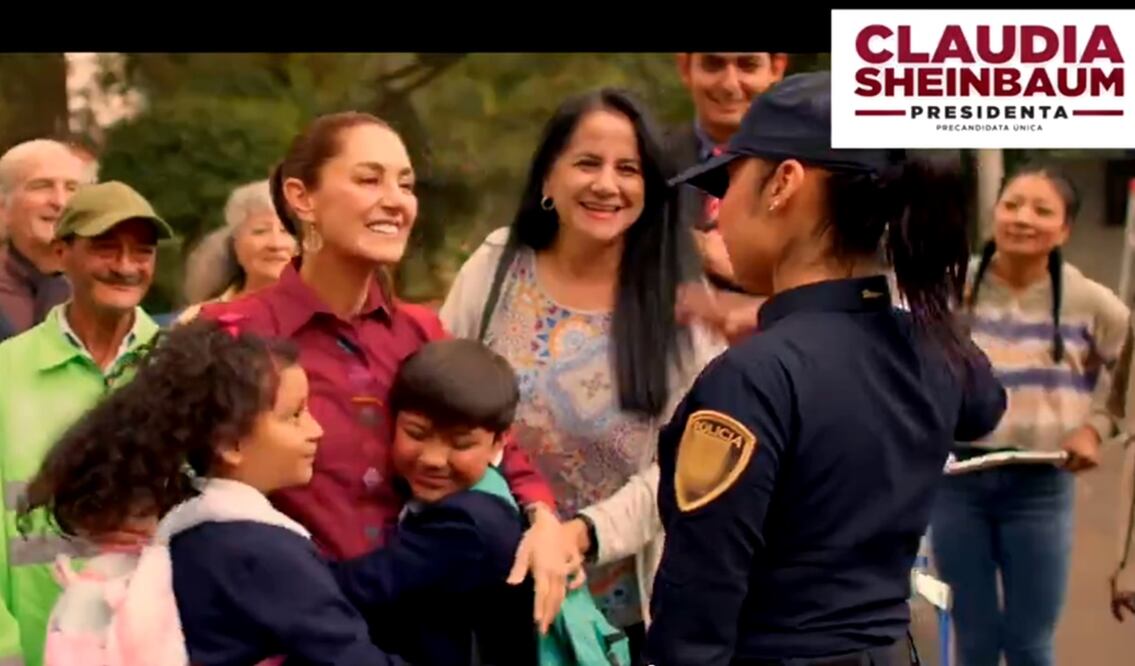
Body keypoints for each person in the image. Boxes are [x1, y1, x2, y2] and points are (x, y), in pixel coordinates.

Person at [643, 70, 1008, 665]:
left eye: (729, 182)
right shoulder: (928, 345)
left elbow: (698, 608)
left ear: (783, 183)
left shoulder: (752, 378)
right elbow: (985, 402)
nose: (717, 215)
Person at [198, 111, 574, 634]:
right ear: (301, 197)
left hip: (416, 631)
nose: (396, 200)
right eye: (368, 179)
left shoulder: (420, 332)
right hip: (291, 630)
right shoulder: (232, 334)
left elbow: (494, 444)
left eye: (406, 184)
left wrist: (543, 519)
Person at [439, 88, 725, 659]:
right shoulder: (497, 266)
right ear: (548, 178)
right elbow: (437, 400)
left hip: (619, 623)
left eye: (628, 169)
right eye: (587, 163)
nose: (606, 185)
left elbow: (689, 463)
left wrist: (581, 535)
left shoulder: (682, 306)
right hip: (485, 598)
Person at [20, 318, 408, 665]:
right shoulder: (259, 549)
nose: (315, 430)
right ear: (230, 443)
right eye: (294, 415)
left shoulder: (186, 525)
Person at [931, 163, 1131, 666]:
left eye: (1043, 210)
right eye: (1012, 204)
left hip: (1042, 487)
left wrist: (1097, 427)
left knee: (1030, 642)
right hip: (956, 483)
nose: (1023, 218)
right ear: (993, 214)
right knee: (971, 639)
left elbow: (1129, 371)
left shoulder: (1088, 300)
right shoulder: (948, 289)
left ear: (1064, 230)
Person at [333, 338, 629, 666]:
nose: (433, 459)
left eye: (460, 444)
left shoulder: (467, 527)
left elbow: (360, 587)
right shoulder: (492, 491)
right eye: (416, 434)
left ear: (499, 442)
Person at [0, 180, 172, 666]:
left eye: (142, 251)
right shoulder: (5, 372)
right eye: (105, 249)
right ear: (60, 254)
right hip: (33, 648)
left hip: (155, 644)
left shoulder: (181, 367)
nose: (126, 266)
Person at [668, 53, 787, 344]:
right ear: (685, 68)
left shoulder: (816, 171)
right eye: (713, 64)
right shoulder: (643, 163)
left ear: (776, 68)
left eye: (747, 65)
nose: (729, 84)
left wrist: (764, 308)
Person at [0, 139, 88, 342]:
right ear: (3, 207)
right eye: (41, 186)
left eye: (72, 188)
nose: (60, 201)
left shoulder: (105, 284)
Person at [178, 180, 297, 322]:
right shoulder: (199, 319)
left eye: (286, 231)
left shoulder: (325, 313)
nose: (276, 244)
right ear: (235, 242)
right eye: (260, 231)